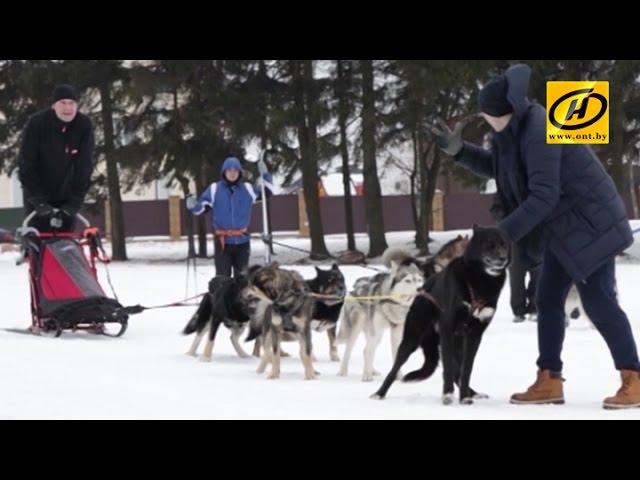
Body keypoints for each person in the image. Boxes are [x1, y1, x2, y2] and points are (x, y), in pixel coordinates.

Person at [430, 63, 640, 409]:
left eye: (488, 116)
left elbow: (544, 194)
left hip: (591, 226)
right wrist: (459, 151)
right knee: (546, 298)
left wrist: (503, 232)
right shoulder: (512, 132)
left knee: (599, 301)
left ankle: (633, 377)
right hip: (565, 230)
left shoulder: (539, 129)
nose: (486, 122)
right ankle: (549, 378)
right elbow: (500, 167)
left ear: (504, 112)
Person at [18, 84, 95, 232]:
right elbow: (27, 164)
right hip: (38, 193)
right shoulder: (37, 124)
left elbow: (84, 166)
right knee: (38, 240)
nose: (68, 108)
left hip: (66, 194)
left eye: (72, 103)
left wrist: (74, 202)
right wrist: (38, 200)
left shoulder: (83, 125)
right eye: (63, 103)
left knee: (66, 243)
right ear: (54, 105)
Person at [187, 156, 273, 278]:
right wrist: (193, 206)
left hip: (242, 242)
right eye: (229, 170)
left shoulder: (247, 189)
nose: (232, 173)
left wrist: (266, 175)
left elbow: (267, 193)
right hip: (223, 243)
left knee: (242, 280)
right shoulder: (214, 189)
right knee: (223, 280)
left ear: (239, 173)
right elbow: (202, 208)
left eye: (235, 170)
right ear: (224, 172)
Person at [490, 193, 541, 323]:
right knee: (516, 274)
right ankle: (518, 310)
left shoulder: (535, 183)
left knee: (538, 272)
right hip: (513, 236)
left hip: (535, 233)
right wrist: (506, 221)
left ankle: (534, 307)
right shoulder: (505, 184)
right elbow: (495, 209)